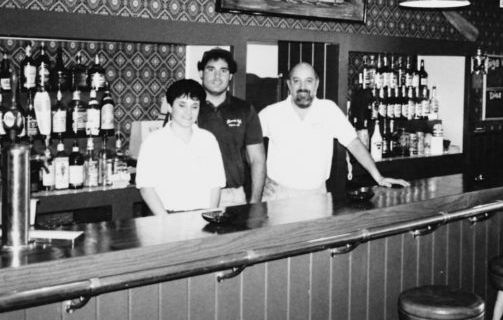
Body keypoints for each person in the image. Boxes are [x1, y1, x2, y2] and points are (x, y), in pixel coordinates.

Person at [259, 62, 409, 201]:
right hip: (278, 195)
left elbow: (354, 143)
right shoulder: (271, 113)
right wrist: (260, 180)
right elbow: (247, 144)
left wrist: (379, 177)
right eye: (297, 81)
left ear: (316, 84)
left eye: (309, 81)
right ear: (289, 84)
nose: (302, 86)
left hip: (317, 195)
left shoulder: (328, 110)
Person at [136, 79, 226, 215]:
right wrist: (165, 221)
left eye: (194, 106)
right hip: (165, 216)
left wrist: (210, 215)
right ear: (170, 107)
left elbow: (216, 184)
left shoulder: (208, 140)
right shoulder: (154, 142)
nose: (188, 112)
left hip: (202, 216)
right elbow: (146, 187)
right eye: (182, 105)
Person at [197, 48, 266, 206]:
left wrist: (255, 202)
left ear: (230, 76)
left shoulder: (245, 110)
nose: (217, 76)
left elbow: (257, 159)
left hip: (233, 197)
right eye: (210, 69)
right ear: (201, 73)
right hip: (197, 194)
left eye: (223, 70)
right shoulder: (189, 109)